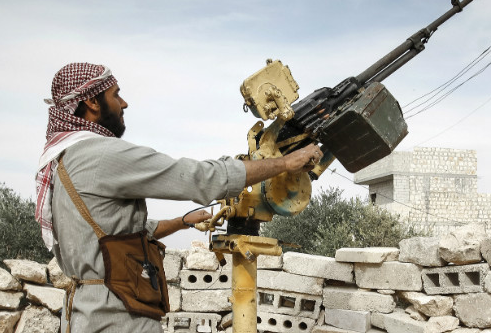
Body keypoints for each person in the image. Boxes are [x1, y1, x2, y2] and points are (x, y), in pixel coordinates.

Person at [35, 62, 322, 333]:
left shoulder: (65, 162)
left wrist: (182, 221)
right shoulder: (100, 156)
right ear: (92, 103)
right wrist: (286, 163)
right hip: (119, 317)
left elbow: (120, 234)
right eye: (116, 95)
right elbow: (196, 178)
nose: (124, 104)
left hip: (86, 315)